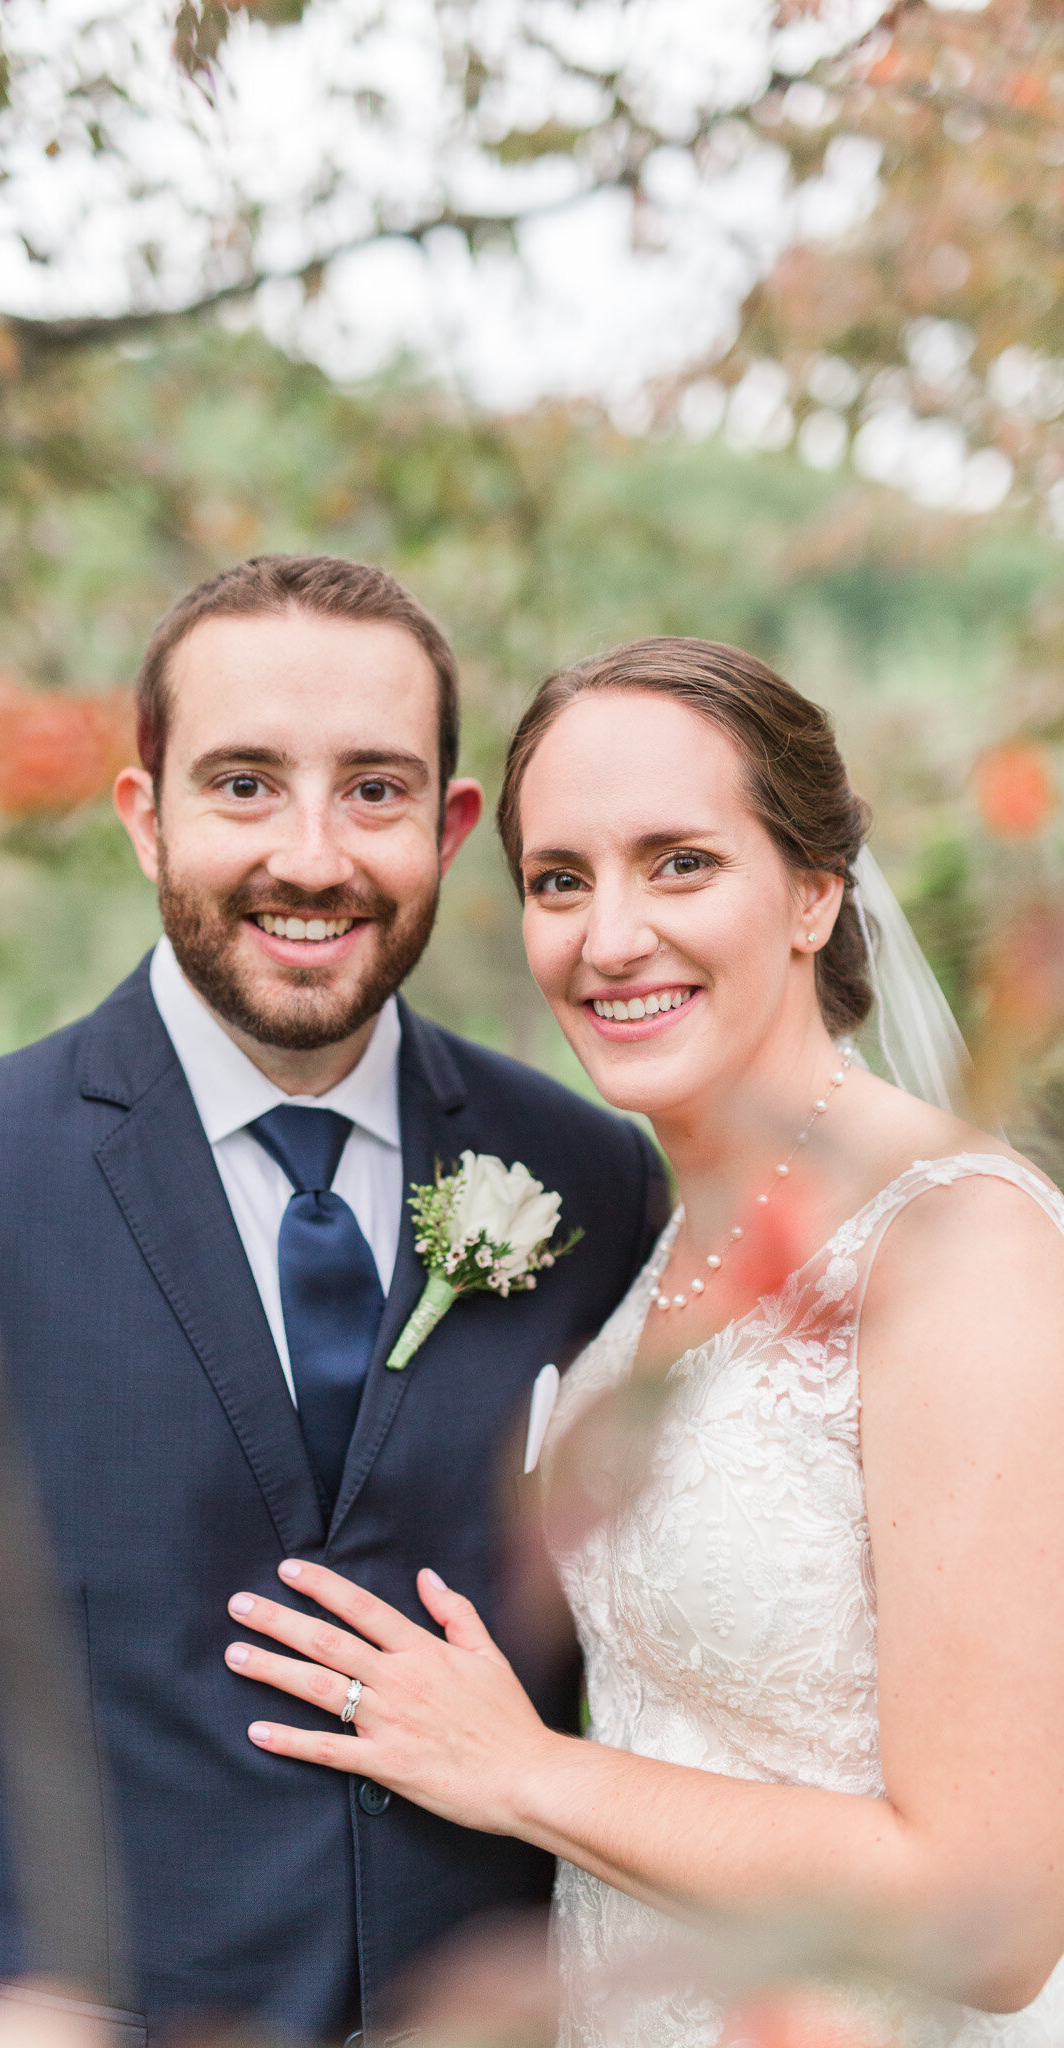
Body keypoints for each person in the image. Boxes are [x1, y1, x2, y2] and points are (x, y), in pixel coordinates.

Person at [0, 557, 665, 2048]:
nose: (310, 854)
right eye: (241, 784)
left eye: (371, 789)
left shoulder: (592, 1179)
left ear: (449, 824)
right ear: (143, 814)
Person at [221, 636, 1064, 2046]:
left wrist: (515, 1772)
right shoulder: (663, 1235)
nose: (607, 938)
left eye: (678, 863)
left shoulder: (957, 1255)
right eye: (560, 880)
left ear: (812, 892)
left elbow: (990, 1914)